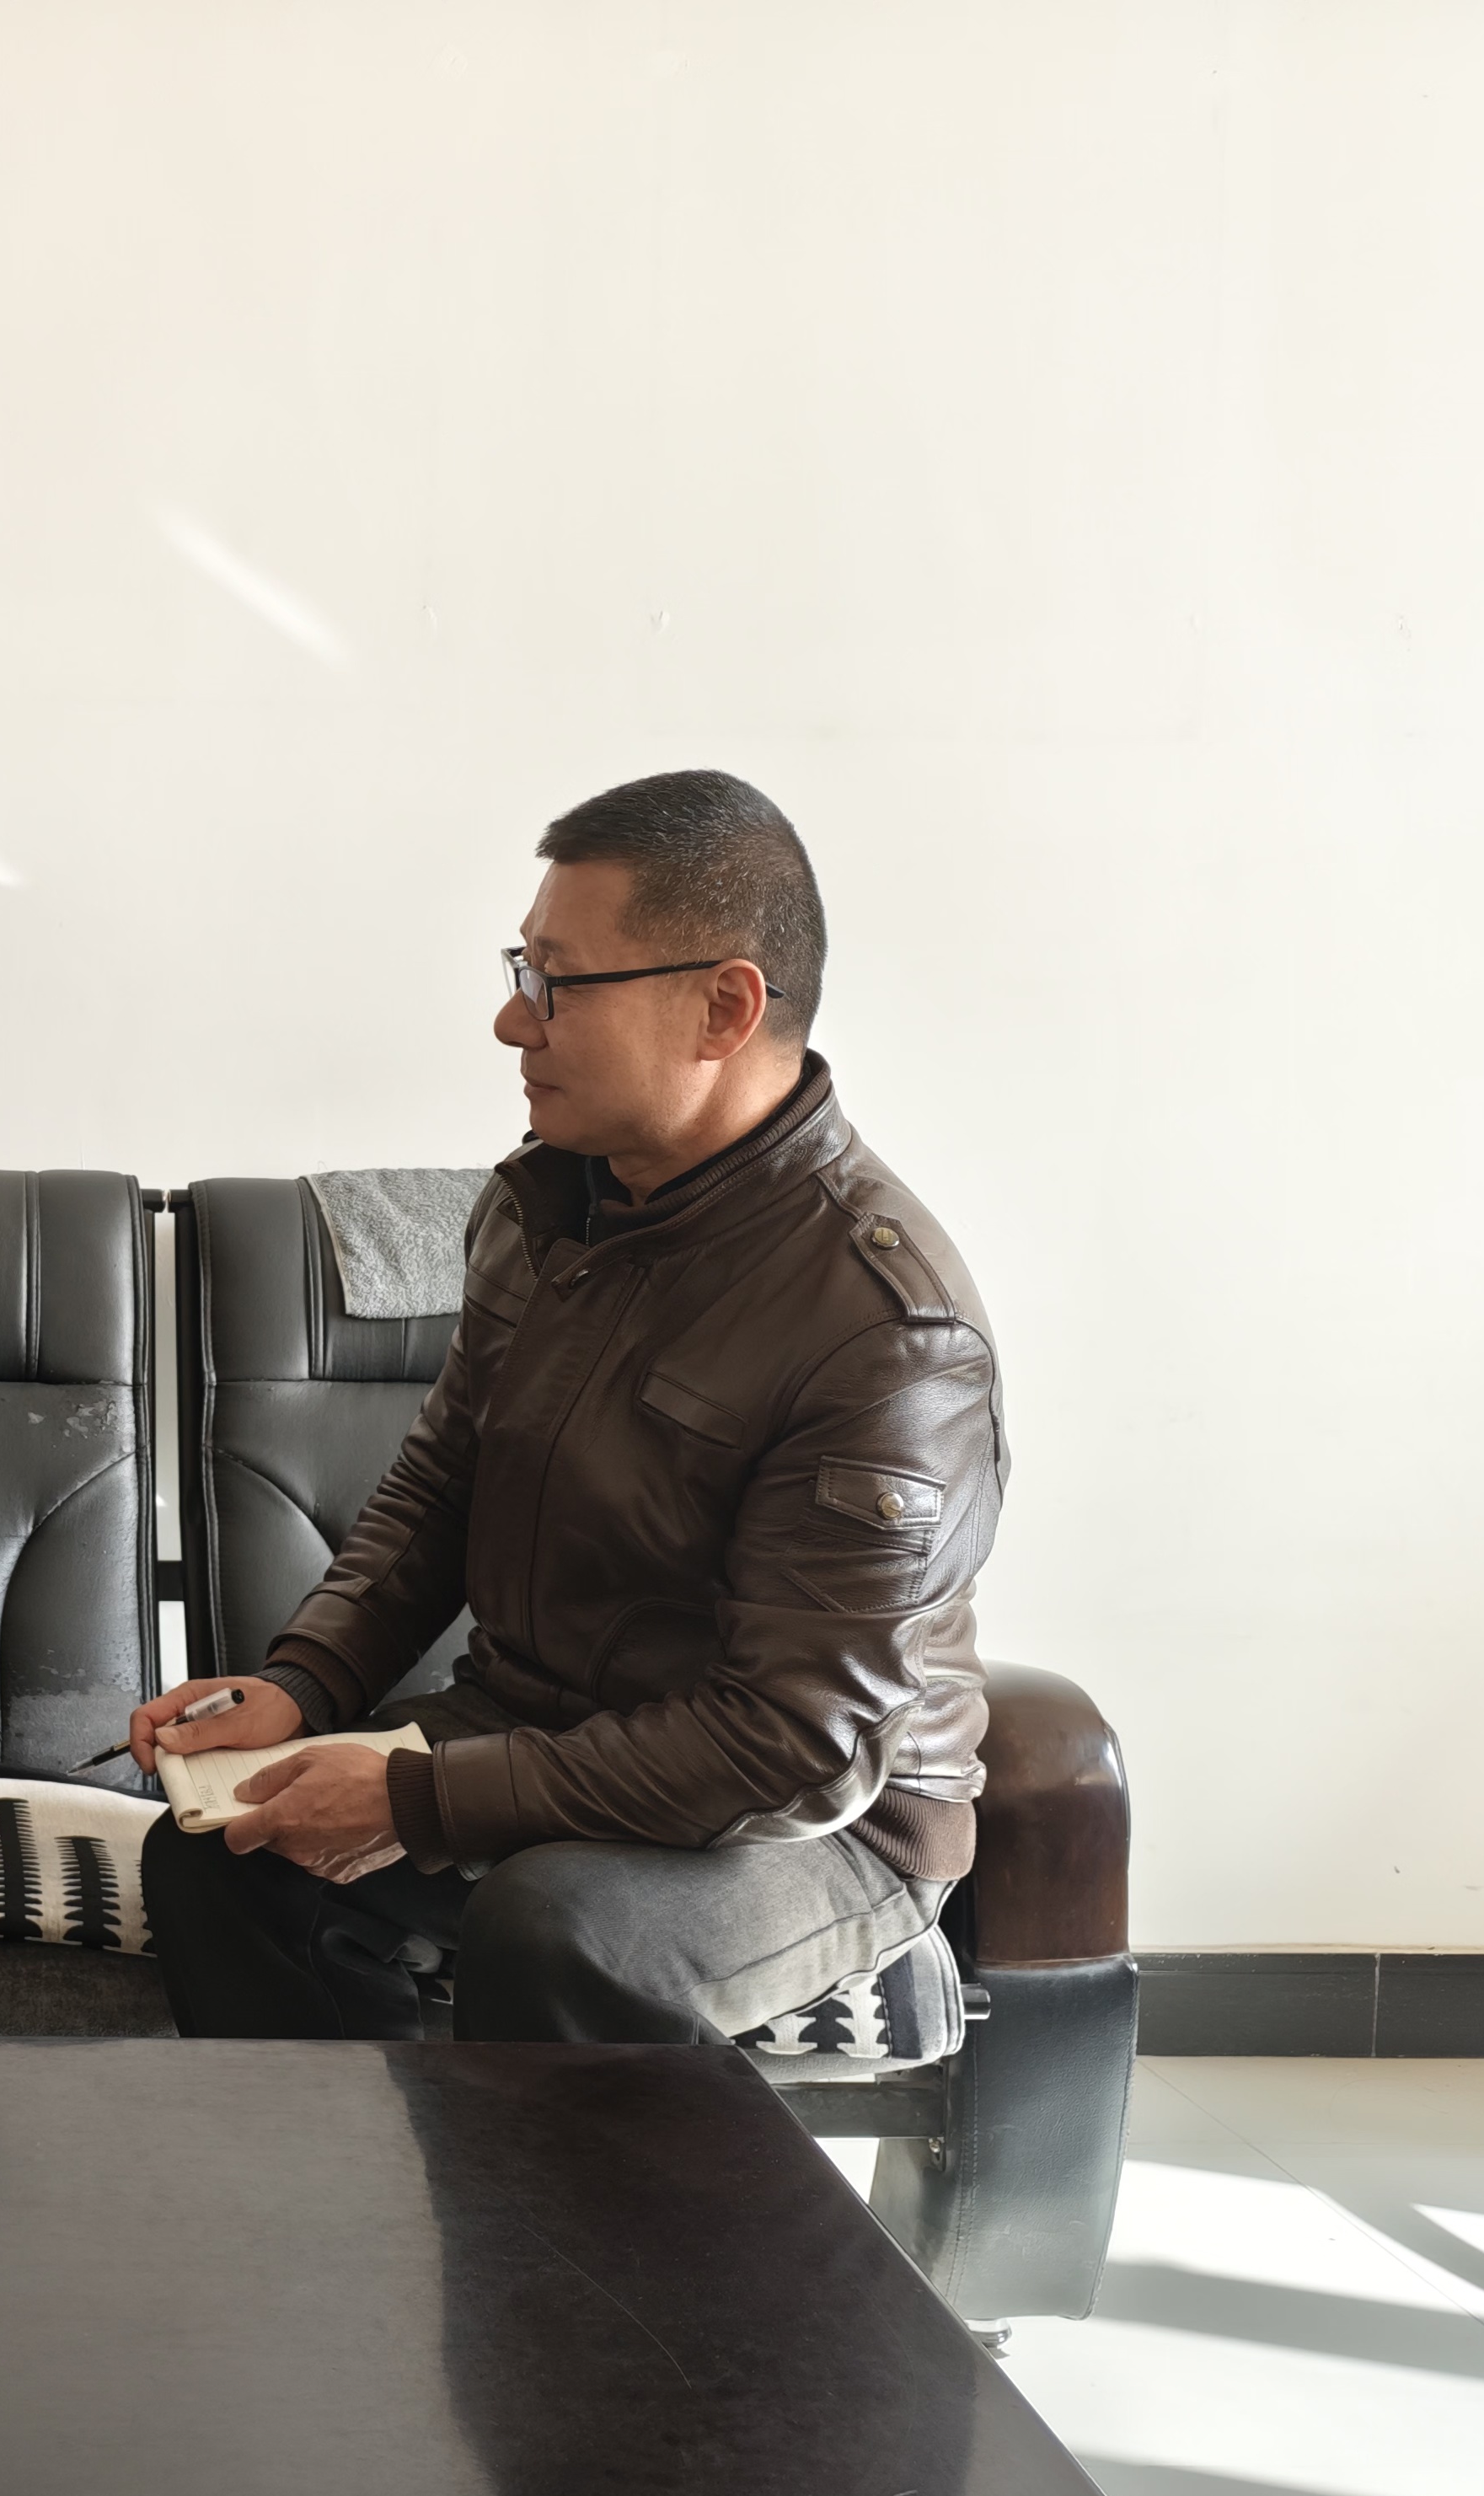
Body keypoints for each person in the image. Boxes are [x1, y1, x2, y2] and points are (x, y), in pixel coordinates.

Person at [132, 769, 1003, 2044]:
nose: (510, 1021)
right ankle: (357, 2176)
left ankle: (524, 2191)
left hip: (818, 1823)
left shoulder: (885, 1330)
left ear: (724, 1007)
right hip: (540, 1727)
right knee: (223, 1855)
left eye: (557, 982)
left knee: (557, 1927)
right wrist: (306, 1682)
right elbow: (444, 1480)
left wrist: (423, 1799)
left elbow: (789, 1744)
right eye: (520, 968)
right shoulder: (543, 1207)